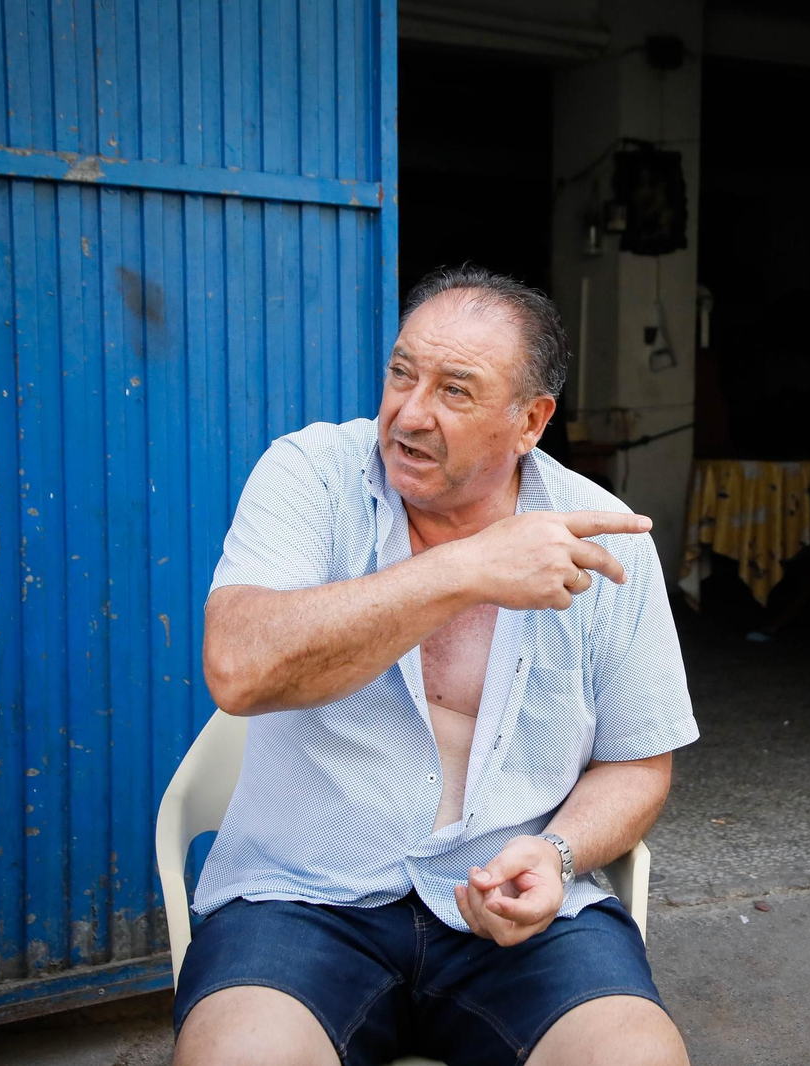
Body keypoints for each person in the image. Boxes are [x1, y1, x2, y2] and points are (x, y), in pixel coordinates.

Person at [172, 265, 698, 1066]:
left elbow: (638, 763)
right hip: (304, 895)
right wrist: (465, 570)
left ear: (530, 421)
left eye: (455, 390)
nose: (410, 414)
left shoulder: (606, 538)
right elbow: (238, 668)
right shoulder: (312, 474)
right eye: (401, 374)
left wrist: (556, 854)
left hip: (510, 905)